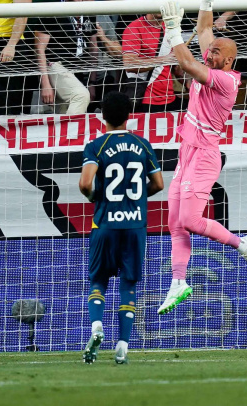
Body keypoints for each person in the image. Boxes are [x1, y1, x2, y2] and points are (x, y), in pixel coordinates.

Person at [155, 0, 247, 315]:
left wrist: (172, 30)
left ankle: (241, 243)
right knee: (174, 223)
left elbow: (186, 63)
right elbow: (203, 29)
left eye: (215, 52)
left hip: (204, 155)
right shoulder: (214, 61)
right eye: (210, 50)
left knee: (188, 220)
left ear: (229, 60)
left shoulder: (227, 81)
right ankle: (178, 281)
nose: (209, 52)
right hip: (186, 152)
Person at [78, 91, 164, 365]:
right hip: (135, 225)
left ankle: (96, 328)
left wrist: (96, 198)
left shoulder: (96, 146)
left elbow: (84, 183)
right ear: (129, 116)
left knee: (98, 280)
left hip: (105, 223)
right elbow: (159, 183)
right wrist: (136, 199)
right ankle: (123, 346)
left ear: (102, 115)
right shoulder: (142, 144)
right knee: (128, 284)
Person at [31, 0, 92, 114]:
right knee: (81, 96)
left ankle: (62, 136)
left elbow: (92, 47)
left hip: (77, 70)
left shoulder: (89, 9)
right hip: (55, 66)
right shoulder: (53, 9)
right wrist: (45, 83)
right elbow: (39, 48)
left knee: (62, 114)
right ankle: (71, 136)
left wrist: (92, 81)